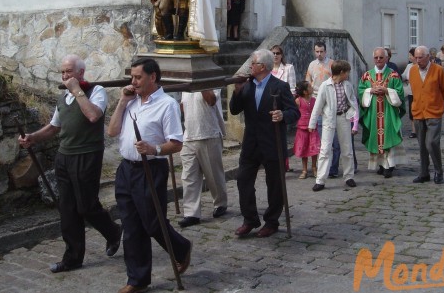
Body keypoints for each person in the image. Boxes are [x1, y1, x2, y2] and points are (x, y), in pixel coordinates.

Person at [18, 54, 122, 274]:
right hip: (64, 156)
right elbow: (54, 127)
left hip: (87, 155)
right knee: (67, 209)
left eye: (69, 71)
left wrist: (77, 91)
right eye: (62, 72)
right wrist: (32, 138)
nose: (65, 76)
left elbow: (93, 116)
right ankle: (72, 258)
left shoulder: (96, 91)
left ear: (80, 73)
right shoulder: (63, 97)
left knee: (87, 205)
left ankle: (113, 232)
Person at [108, 58, 192, 293]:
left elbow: (176, 143)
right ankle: (137, 279)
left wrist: (154, 149)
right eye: (131, 77)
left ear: (152, 77)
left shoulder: (167, 105)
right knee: (131, 225)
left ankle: (181, 248)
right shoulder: (131, 101)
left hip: (150, 168)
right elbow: (112, 130)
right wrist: (122, 102)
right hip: (126, 169)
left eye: (137, 77)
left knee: (153, 223)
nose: (133, 82)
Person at [230, 49, 300, 238]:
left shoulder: (280, 87)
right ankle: (250, 219)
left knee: (275, 184)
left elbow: (295, 112)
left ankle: (272, 221)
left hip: (272, 142)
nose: (250, 66)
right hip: (251, 143)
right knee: (243, 180)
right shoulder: (246, 85)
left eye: (253, 63)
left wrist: (282, 115)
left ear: (263, 67)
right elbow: (235, 110)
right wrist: (236, 92)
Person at [178, 90, 228, 228]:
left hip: (209, 133)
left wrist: (200, 85)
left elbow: (211, 100)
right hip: (189, 136)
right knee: (188, 176)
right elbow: (183, 106)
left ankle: (220, 203)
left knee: (213, 174)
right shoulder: (186, 82)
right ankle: (191, 213)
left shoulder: (210, 79)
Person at [308, 60, 358, 191]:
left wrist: (353, 115)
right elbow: (318, 106)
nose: (348, 75)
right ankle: (320, 180)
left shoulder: (347, 85)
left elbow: (352, 101)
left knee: (347, 149)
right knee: (325, 149)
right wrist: (312, 123)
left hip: (343, 117)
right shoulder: (325, 86)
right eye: (347, 72)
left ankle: (348, 176)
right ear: (341, 72)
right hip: (329, 119)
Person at [359, 48, 408, 178]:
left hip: (389, 112)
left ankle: (389, 165)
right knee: (376, 137)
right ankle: (380, 164)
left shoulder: (393, 75)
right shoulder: (367, 75)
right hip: (373, 113)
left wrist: (387, 91)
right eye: (376, 58)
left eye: (381, 57)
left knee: (388, 136)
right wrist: (370, 91)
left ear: (387, 58)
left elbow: (400, 93)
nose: (378, 60)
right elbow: (360, 91)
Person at [410, 46, 444, 184]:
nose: (417, 60)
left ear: (428, 57)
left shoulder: (438, 70)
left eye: (420, 57)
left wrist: (436, 102)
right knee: (421, 145)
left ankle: (438, 171)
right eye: (416, 57)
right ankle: (424, 173)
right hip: (418, 112)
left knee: (431, 142)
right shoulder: (412, 70)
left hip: (434, 112)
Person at [304, 41, 341, 178]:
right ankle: (322, 167)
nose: (319, 54)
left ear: (326, 51)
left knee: (335, 139)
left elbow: (337, 82)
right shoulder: (312, 65)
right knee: (321, 138)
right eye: (317, 51)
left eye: (321, 51)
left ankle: (334, 168)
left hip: (331, 102)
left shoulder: (332, 64)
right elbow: (308, 82)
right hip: (316, 102)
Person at [270, 44, 297, 171]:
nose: (275, 55)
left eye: (277, 53)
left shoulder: (288, 68)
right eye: (273, 53)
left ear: (281, 55)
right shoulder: (267, 69)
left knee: (281, 136)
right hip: (269, 105)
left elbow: (292, 88)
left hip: (282, 106)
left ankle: (283, 163)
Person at [293, 81, 320, 179]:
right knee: (303, 148)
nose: (312, 87)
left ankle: (314, 168)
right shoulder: (298, 101)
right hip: (302, 128)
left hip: (313, 128)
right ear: (305, 91)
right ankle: (304, 170)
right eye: (309, 87)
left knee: (314, 149)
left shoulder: (315, 100)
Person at [401, 47, 417, 139]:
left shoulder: (420, 66)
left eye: (411, 55)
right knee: (412, 111)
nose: (409, 57)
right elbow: (403, 76)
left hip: (420, 93)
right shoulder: (409, 66)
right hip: (411, 92)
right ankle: (414, 130)